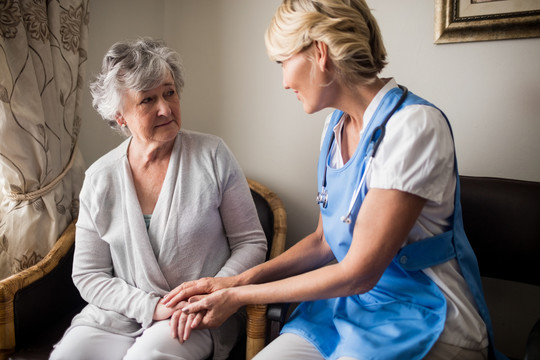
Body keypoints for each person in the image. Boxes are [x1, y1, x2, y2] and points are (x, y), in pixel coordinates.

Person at [161, 1, 505, 359]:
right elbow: (324, 241)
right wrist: (234, 281)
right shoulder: (335, 126)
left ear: (320, 54)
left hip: (424, 315)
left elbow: (359, 272)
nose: (283, 81)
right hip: (352, 307)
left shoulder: (414, 127)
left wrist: (238, 297)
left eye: (283, 62)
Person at [49, 38, 267, 360]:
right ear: (120, 116)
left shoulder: (213, 155)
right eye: (147, 100)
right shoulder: (100, 178)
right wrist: (150, 307)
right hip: (118, 315)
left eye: (169, 92)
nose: (165, 108)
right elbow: (88, 274)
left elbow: (251, 242)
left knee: (148, 357)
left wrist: (210, 292)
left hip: (195, 315)